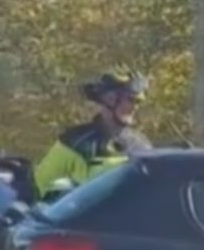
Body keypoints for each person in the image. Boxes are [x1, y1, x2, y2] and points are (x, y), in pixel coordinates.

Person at [32, 70, 153, 200]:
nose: (135, 107)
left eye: (138, 102)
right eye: (131, 100)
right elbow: (38, 188)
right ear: (110, 99)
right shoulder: (76, 142)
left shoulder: (142, 146)